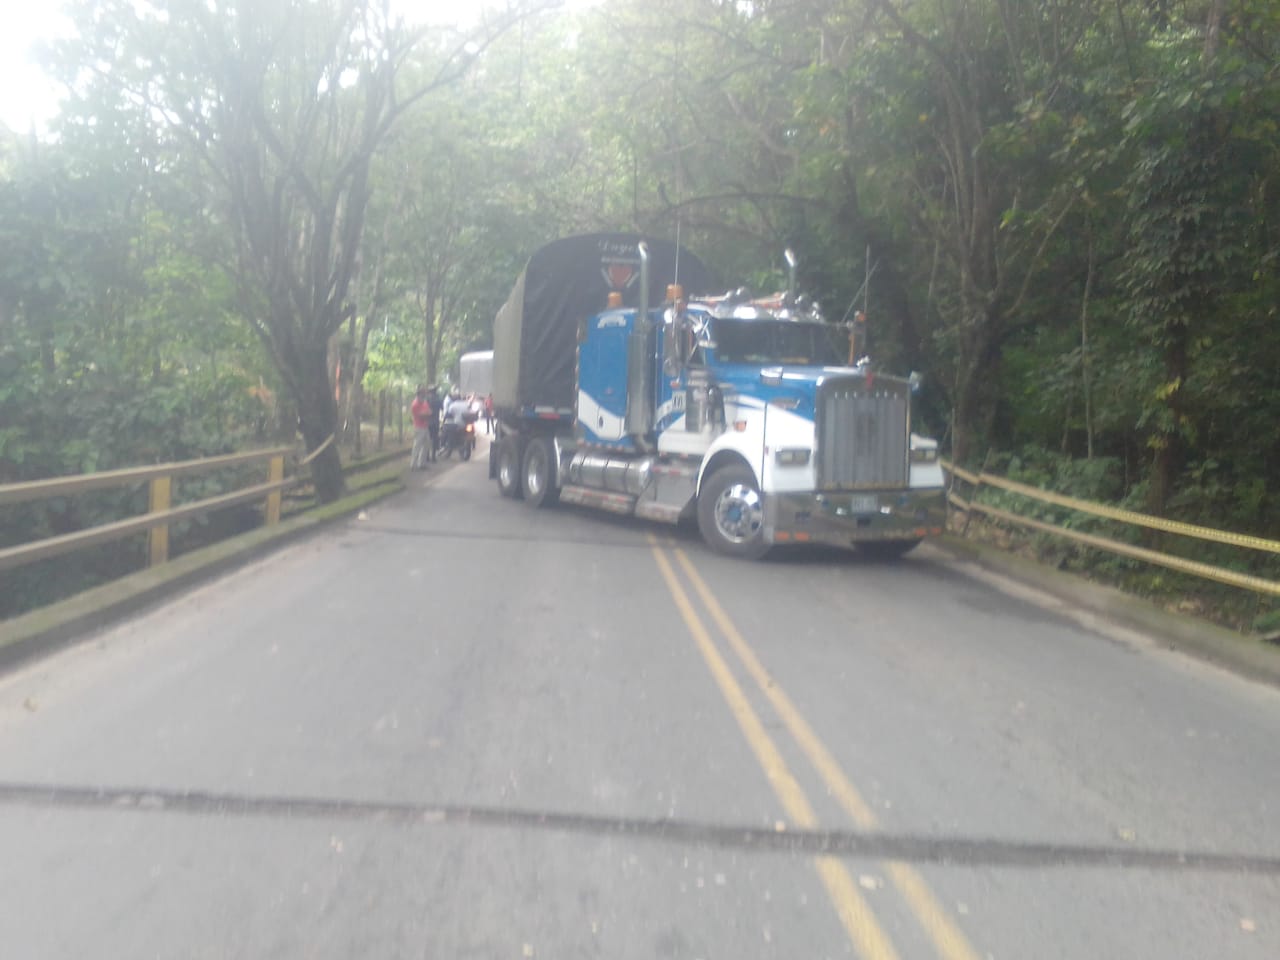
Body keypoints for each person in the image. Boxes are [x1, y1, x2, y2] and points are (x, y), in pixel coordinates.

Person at [410, 385, 433, 470]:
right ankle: (413, 464)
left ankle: (421, 463)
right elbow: (421, 416)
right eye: (423, 393)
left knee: (426, 445)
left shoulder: (424, 402)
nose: (424, 395)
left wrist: (426, 414)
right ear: (419, 394)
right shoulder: (415, 404)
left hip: (425, 426)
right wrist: (426, 414)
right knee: (417, 446)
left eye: (425, 393)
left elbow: (429, 412)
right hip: (419, 427)